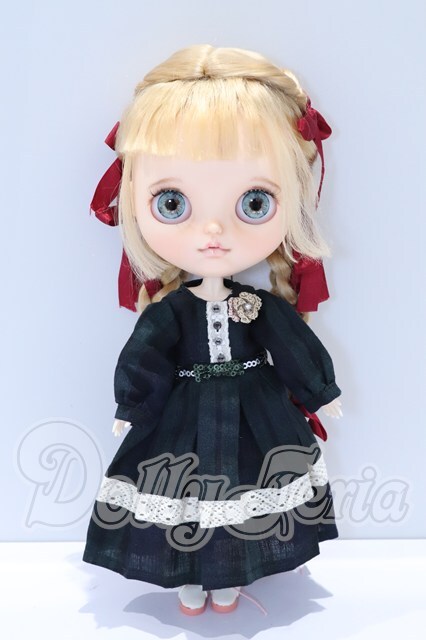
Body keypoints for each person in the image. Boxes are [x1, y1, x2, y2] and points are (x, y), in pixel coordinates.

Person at [82, 44, 343, 616]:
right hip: (184, 414)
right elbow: (145, 355)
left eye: (255, 201)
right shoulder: (172, 310)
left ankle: (232, 573)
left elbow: (293, 346)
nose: (214, 231)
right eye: (173, 202)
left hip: (255, 411)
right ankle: (190, 576)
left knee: (247, 491)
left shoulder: (259, 304)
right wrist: (131, 405)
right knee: (186, 496)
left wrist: (321, 391)